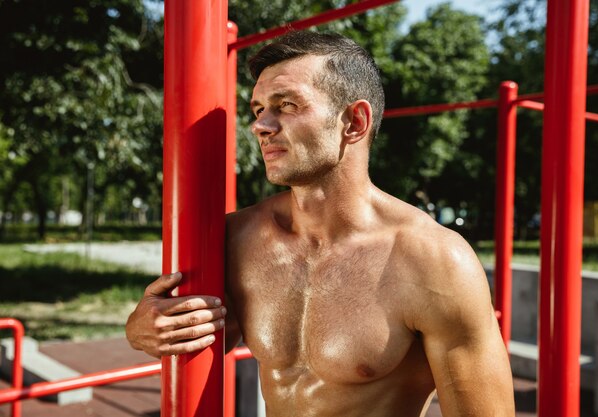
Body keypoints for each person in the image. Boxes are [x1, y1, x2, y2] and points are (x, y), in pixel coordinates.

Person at [126, 30, 515, 416]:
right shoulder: (238, 237)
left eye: (287, 105)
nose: (261, 126)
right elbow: (203, 335)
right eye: (259, 109)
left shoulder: (434, 260)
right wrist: (142, 328)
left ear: (354, 121)